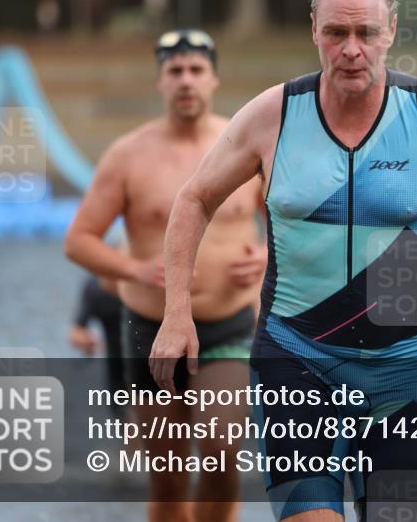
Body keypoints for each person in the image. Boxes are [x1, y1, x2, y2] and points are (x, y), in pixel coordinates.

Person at [150, 0, 417, 522]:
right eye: (337, 31)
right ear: (314, 30)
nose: (352, 49)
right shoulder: (274, 115)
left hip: (404, 366)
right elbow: (194, 199)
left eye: (366, 32)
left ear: (390, 31)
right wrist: (178, 314)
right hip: (296, 357)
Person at [65, 29, 267, 522]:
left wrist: (265, 256)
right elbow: (79, 240)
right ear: (160, 82)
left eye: (196, 70)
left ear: (214, 79)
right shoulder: (128, 155)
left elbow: (293, 224)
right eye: (175, 71)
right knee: (169, 475)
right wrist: (133, 268)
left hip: (228, 323)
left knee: (222, 453)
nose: (186, 81)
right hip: (148, 330)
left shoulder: (245, 146)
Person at [69, 274, 126, 414]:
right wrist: (91, 342)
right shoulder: (95, 286)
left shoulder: (148, 278)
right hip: (117, 367)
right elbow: (76, 333)